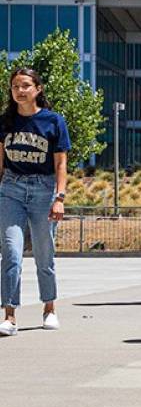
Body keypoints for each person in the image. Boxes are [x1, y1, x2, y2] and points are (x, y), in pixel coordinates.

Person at [0, 69, 70, 337]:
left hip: (43, 190)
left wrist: (59, 198)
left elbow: (61, 163)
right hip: (11, 189)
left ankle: (49, 308)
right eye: (15, 86)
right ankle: (9, 315)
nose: (20, 90)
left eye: (26, 85)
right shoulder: (6, 122)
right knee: (11, 253)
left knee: (44, 255)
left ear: (38, 89)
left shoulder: (53, 121)